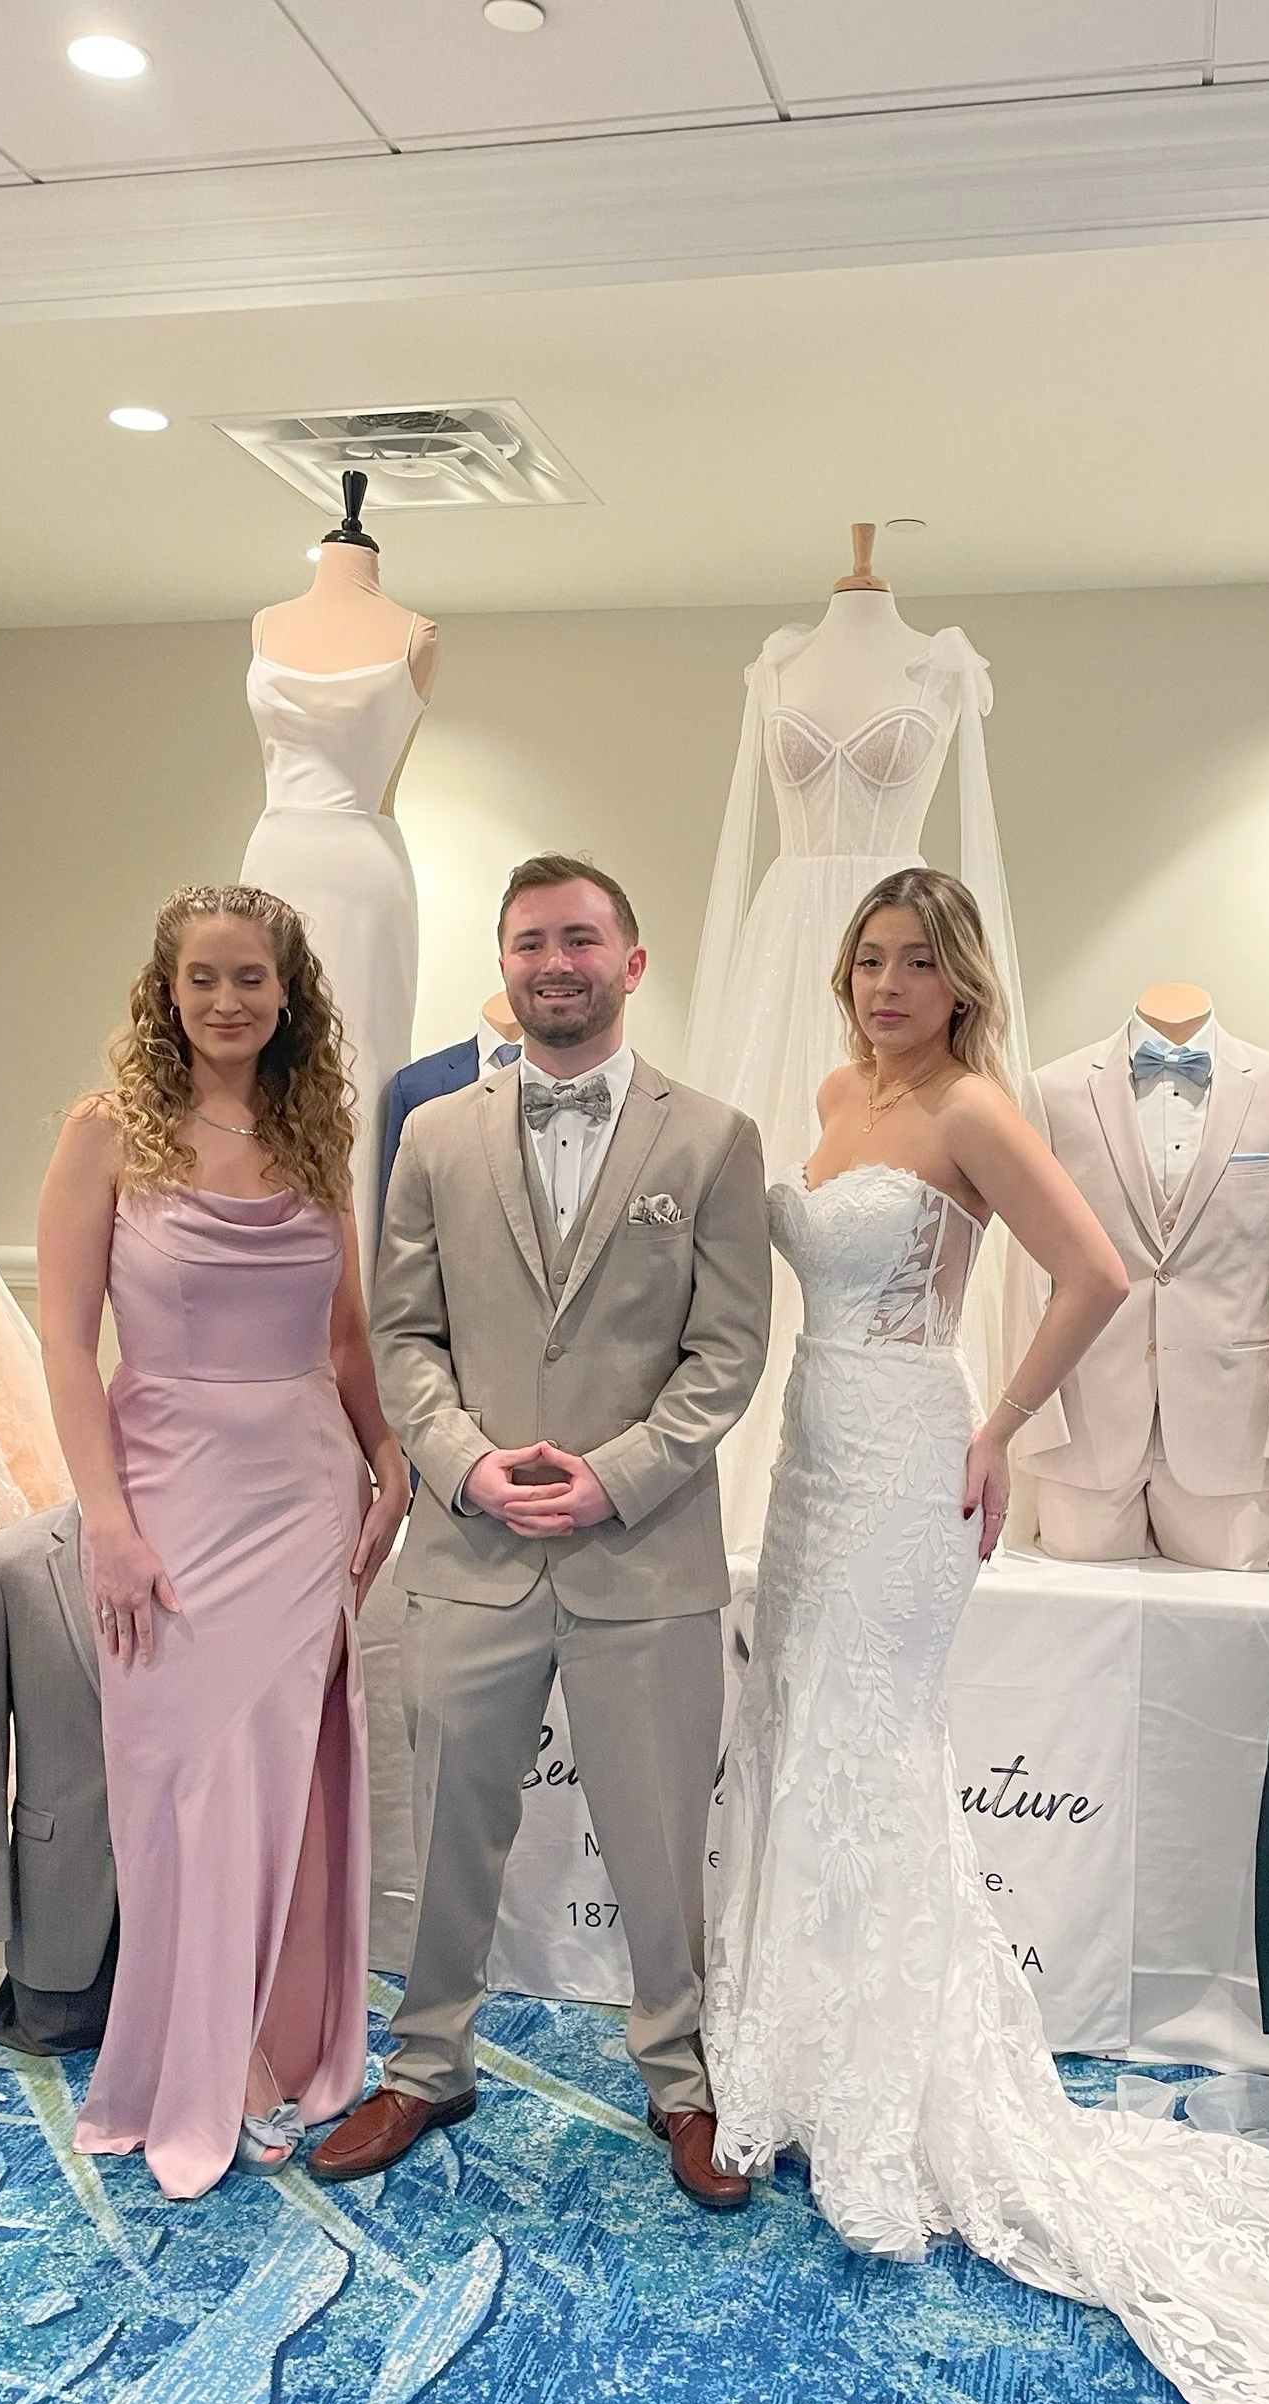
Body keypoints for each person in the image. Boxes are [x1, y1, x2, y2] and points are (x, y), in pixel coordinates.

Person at [704, 867, 1269, 2404]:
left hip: (910, 1458)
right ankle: (790, 2057)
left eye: (917, 962)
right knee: (798, 1743)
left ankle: (882, 2105)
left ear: (962, 981)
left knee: (872, 1751)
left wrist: (996, 1425)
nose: (887, 984)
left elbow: (1089, 1273)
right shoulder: (834, 1094)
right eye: (868, 959)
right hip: (811, 1455)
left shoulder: (973, 1107)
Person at [309, 854, 771, 2210]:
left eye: (580, 939)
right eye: (529, 943)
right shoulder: (433, 1134)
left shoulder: (715, 1139)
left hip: (647, 1555)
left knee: (659, 1842)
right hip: (473, 1553)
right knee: (451, 1831)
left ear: (631, 961)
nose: (555, 964)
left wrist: (616, 1476)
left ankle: (680, 2078)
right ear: (503, 964)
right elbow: (405, 1338)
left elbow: (729, 1351)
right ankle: (428, 2061)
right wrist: (466, 1465)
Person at [36, 886, 407, 2199]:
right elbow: (66, 1349)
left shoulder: (314, 1133)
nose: (227, 1000)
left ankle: (272, 2038)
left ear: (287, 992)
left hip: (303, 1495)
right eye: (203, 977)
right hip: (168, 1497)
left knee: (283, 1781)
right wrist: (109, 1522)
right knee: (181, 1787)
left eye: (251, 977)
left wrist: (387, 1452)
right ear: (168, 990)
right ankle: (213, 2061)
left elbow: (347, 1335)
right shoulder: (105, 1133)